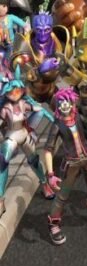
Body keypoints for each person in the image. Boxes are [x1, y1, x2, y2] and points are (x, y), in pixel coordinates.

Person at [44, 87, 87, 245]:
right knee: (62, 195)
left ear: (73, 103)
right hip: (71, 164)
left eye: (68, 102)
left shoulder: (79, 117)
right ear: (57, 106)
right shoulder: (57, 125)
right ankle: (54, 224)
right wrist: (50, 175)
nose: (65, 105)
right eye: (61, 103)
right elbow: (48, 149)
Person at [0, 66, 55, 218]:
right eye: (11, 92)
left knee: (34, 161)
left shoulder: (24, 103)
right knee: (2, 163)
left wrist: (54, 119)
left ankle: (44, 184)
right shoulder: (5, 108)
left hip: (25, 136)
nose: (15, 93)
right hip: (11, 138)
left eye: (17, 90)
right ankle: (1, 200)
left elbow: (40, 110)